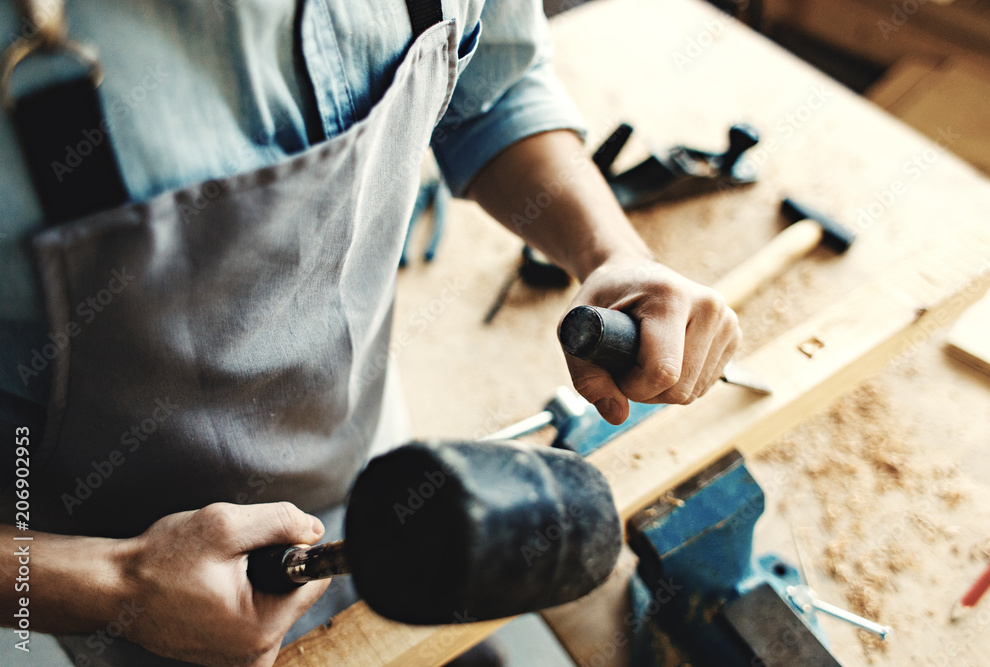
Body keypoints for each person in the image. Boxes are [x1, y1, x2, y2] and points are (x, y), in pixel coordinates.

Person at [0, 1, 740, 665]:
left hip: (388, 479)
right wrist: (113, 585)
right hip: (124, 582)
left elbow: (492, 89)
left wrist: (611, 252)